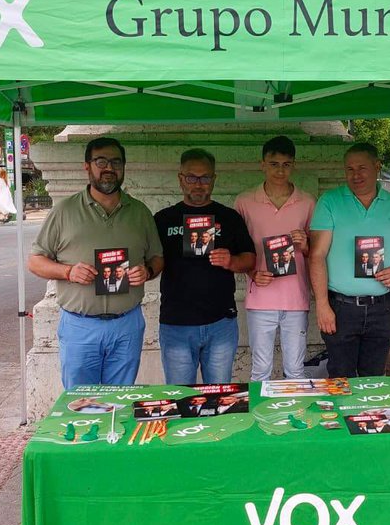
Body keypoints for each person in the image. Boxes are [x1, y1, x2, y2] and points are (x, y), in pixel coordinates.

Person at [27, 137, 163, 387]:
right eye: (101, 161)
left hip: (127, 325)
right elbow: (35, 261)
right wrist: (68, 272)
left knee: (119, 401)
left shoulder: (140, 212)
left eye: (115, 162)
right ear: (87, 166)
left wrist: (148, 271)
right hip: (80, 326)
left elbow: (157, 257)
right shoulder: (64, 211)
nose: (108, 168)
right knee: (81, 404)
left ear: (123, 167)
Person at [309, 142, 390, 378]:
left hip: (383, 306)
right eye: (349, 169)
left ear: (377, 166)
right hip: (341, 307)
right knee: (340, 378)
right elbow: (317, 255)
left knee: (375, 378)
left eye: (362, 168)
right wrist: (322, 305)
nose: (355, 175)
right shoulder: (330, 202)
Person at [155, 149, 255, 384]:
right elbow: (151, 261)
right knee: (180, 397)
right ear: (180, 179)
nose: (198, 184)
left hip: (220, 323)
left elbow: (250, 258)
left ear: (214, 179)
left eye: (205, 178)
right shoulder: (163, 219)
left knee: (219, 398)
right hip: (176, 325)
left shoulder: (229, 217)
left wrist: (231, 261)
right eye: (191, 177)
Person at [234, 135, 317, 381]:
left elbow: (318, 252)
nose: (280, 170)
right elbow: (238, 249)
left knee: (295, 370)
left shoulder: (308, 201)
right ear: (262, 164)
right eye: (273, 164)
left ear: (294, 165)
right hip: (260, 296)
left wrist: (305, 245)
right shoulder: (244, 202)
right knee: (260, 370)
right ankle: (260, 419)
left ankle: (295, 416)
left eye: (286, 164)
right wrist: (251, 273)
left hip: (296, 297)